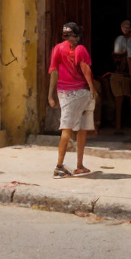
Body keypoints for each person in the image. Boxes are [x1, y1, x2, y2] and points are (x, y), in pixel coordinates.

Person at [47, 21, 95, 178]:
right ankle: (59, 166)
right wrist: (93, 89)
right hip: (80, 93)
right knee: (72, 130)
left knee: (76, 129)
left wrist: (50, 94)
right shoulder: (80, 49)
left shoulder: (57, 49)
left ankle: (79, 165)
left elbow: (53, 71)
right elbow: (86, 70)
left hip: (65, 94)